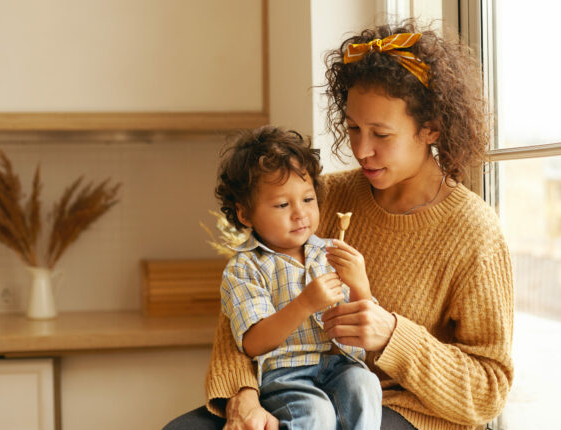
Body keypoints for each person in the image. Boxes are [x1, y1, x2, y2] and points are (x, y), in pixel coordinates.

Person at [164, 19, 514, 430]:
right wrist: (244, 395)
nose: (361, 150)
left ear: (431, 128)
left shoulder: (475, 232)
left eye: (381, 134)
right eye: (352, 128)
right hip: (293, 388)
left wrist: (393, 337)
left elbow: (490, 388)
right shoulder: (318, 199)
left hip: (403, 411)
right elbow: (241, 312)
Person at [215, 125, 382, 430]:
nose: (300, 213)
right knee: (315, 411)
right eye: (282, 205)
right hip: (285, 376)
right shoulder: (245, 268)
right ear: (245, 214)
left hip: (339, 366)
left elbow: (362, 329)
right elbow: (252, 343)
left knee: (364, 384)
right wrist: (305, 304)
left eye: (308, 200)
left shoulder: (331, 252)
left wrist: (360, 284)